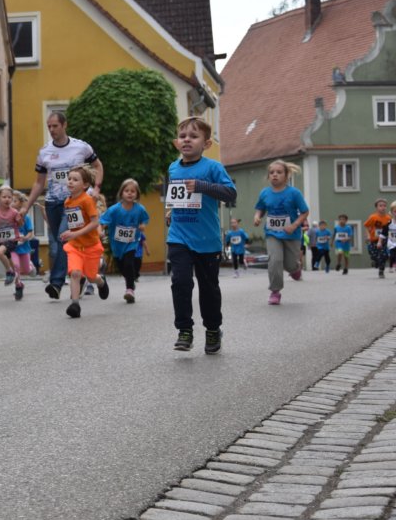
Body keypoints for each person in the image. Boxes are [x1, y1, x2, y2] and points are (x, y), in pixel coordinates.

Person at [166, 117, 236, 354]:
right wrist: (171, 210)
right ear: (177, 142)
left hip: (207, 240)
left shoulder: (212, 168)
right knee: (180, 282)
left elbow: (230, 194)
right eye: (183, 136)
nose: (187, 140)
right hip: (179, 236)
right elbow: (176, 196)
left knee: (209, 289)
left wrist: (202, 186)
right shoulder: (173, 168)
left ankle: (213, 329)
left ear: (206, 144)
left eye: (193, 136)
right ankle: (184, 330)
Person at [19, 110, 103, 301]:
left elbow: (98, 166)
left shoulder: (81, 147)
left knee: (64, 239)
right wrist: (26, 207)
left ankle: (56, 283)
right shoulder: (44, 152)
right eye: (49, 126)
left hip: (75, 203)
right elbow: (39, 183)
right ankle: (80, 275)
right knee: (58, 245)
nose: (51, 129)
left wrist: (96, 188)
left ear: (64, 125)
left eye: (55, 126)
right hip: (53, 202)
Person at [253, 160, 309, 305]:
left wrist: (294, 225)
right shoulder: (265, 193)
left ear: (286, 175)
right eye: (272, 172)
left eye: (279, 172)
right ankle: (275, 291)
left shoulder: (294, 193)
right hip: (272, 233)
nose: (275, 175)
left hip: (291, 234)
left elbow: (305, 212)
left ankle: (295, 269)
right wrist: (257, 217)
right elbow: (260, 208)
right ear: (268, 176)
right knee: (275, 260)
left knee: (290, 265)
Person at [60, 166, 109, 318]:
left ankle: (101, 282)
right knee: (75, 273)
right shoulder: (67, 201)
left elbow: (95, 223)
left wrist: (75, 233)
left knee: (91, 276)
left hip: (91, 246)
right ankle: (75, 305)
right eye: (69, 179)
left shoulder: (87, 200)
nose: (70, 182)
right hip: (75, 246)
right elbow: (75, 223)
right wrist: (69, 234)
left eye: (75, 180)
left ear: (85, 184)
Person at [99, 178, 149, 302]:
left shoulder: (140, 209)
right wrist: (100, 230)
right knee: (122, 267)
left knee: (129, 263)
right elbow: (102, 221)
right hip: (117, 244)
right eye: (127, 191)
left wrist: (142, 225)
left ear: (137, 194)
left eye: (133, 191)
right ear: (121, 193)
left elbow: (144, 220)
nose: (130, 193)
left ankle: (129, 289)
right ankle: (130, 281)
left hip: (131, 243)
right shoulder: (114, 209)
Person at [11, 192, 36, 300]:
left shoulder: (26, 217)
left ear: (20, 203)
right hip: (13, 248)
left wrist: (25, 238)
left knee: (25, 270)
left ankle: (30, 266)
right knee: (16, 266)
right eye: (11, 201)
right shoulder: (8, 217)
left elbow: (30, 233)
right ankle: (18, 286)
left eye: (14, 201)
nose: (11, 203)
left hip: (24, 248)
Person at [364, 198, 391, 279]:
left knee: (384, 255)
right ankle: (376, 261)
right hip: (374, 239)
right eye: (380, 206)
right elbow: (366, 226)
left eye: (384, 206)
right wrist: (368, 235)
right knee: (373, 254)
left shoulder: (388, 218)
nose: (383, 207)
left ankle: (381, 271)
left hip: (384, 240)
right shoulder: (373, 217)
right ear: (376, 207)